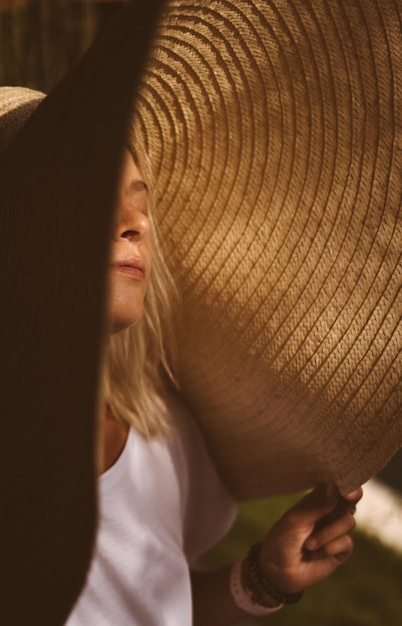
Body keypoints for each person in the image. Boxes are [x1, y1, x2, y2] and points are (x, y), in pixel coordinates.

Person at [64, 134, 362, 625]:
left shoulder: (163, 436)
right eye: (94, 198)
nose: (137, 222)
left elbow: (157, 606)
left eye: (141, 203)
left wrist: (262, 580)